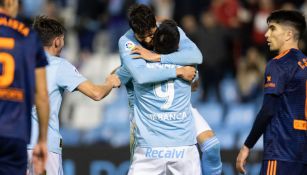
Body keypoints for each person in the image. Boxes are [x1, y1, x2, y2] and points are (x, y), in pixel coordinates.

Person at [117, 4, 221, 174]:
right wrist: (179, 70)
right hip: (147, 110)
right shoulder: (127, 41)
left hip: (178, 108)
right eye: (141, 37)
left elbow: (197, 56)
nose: (148, 41)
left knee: (211, 145)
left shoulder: (170, 31)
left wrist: (156, 57)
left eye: (151, 35)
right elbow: (141, 76)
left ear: (155, 24)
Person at [26, 16, 121, 175]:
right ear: (57, 41)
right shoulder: (58, 65)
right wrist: (110, 82)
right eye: (63, 40)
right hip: (45, 147)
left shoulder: (18, 63)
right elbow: (96, 93)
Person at [236, 10, 307, 175]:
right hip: (302, 154)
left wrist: (247, 145)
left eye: (273, 29)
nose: (267, 34)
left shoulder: (278, 64)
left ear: (288, 34)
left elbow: (268, 109)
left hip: (281, 152)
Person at [0, 0, 49, 174]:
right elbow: (42, 94)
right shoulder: (28, 36)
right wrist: (42, 139)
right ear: (11, 2)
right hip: (15, 131)